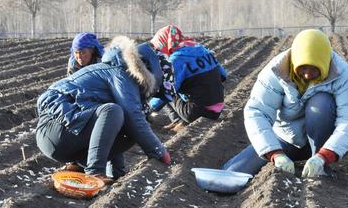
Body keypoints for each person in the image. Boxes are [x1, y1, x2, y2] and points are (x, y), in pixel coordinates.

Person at [223, 29, 348, 178]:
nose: (308, 74)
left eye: (314, 69)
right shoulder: (276, 70)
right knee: (233, 172)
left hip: (322, 141)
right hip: (285, 139)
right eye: (303, 68)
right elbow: (257, 112)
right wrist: (275, 153)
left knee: (320, 103)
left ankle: (321, 166)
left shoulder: (342, 75)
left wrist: (325, 155)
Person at [36, 36, 171, 184]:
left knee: (127, 124)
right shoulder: (120, 74)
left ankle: (82, 164)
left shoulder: (117, 73)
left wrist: (117, 173)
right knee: (114, 112)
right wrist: (159, 152)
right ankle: (94, 172)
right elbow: (132, 116)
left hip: (63, 134)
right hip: (54, 130)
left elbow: (111, 128)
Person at [149, 25, 227, 132]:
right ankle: (179, 121)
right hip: (217, 109)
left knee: (165, 89)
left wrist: (149, 108)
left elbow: (168, 90)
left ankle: (180, 122)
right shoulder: (202, 49)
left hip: (196, 112)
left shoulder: (176, 59)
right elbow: (223, 75)